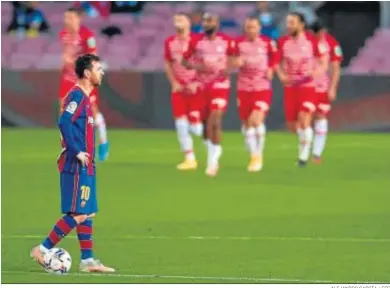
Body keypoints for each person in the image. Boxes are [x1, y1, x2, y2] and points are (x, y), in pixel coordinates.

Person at [30, 54, 115, 273]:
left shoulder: (85, 98)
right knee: (78, 213)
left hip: (86, 164)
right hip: (75, 164)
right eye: (98, 68)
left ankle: (87, 261)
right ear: (87, 73)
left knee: (88, 212)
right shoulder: (77, 96)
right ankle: (42, 249)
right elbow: (63, 121)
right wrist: (76, 151)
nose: (102, 72)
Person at [181, 13, 236, 177]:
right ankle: (211, 153)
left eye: (210, 21)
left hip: (220, 85)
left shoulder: (227, 40)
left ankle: (213, 162)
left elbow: (234, 57)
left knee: (215, 119)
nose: (207, 24)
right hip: (202, 87)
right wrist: (197, 66)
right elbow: (184, 61)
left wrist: (229, 68)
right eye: (205, 21)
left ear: (217, 23)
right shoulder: (195, 40)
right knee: (205, 127)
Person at [275, 12, 327, 167]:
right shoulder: (283, 42)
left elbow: (323, 63)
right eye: (288, 22)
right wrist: (282, 76)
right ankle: (305, 143)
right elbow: (276, 62)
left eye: (292, 22)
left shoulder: (313, 41)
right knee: (293, 126)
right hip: (291, 88)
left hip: (307, 87)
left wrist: (315, 73)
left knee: (305, 119)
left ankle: (303, 157)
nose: (289, 25)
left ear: (301, 25)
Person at [59, 7, 109, 162]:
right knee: (63, 108)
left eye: (71, 18)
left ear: (78, 18)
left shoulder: (87, 36)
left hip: (84, 79)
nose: (68, 21)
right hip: (67, 78)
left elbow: (94, 59)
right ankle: (66, 145)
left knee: (92, 111)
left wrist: (76, 63)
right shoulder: (64, 35)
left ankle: (103, 141)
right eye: (66, 17)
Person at [234, 17, 277, 172]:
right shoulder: (237, 43)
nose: (250, 30)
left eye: (253, 27)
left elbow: (275, 57)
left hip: (262, 87)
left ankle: (256, 157)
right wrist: (235, 62)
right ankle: (255, 153)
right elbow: (230, 60)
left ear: (259, 28)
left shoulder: (267, 43)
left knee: (255, 120)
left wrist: (271, 68)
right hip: (244, 88)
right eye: (248, 27)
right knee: (246, 124)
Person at [164, 13, 203, 170]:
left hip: (196, 88)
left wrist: (197, 82)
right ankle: (189, 158)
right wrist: (174, 83)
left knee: (196, 129)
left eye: (181, 19)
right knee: (180, 123)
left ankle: (201, 123)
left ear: (188, 22)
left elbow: (205, 64)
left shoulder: (197, 41)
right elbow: (168, 64)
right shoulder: (169, 42)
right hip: (179, 88)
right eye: (175, 20)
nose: (177, 22)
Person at [310, 21, 343, 164]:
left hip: (322, 86)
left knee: (320, 116)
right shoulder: (304, 42)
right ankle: (305, 149)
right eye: (320, 32)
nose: (323, 34)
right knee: (304, 117)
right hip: (305, 86)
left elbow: (335, 67)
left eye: (324, 31)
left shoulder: (331, 43)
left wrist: (332, 88)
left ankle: (316, 154)